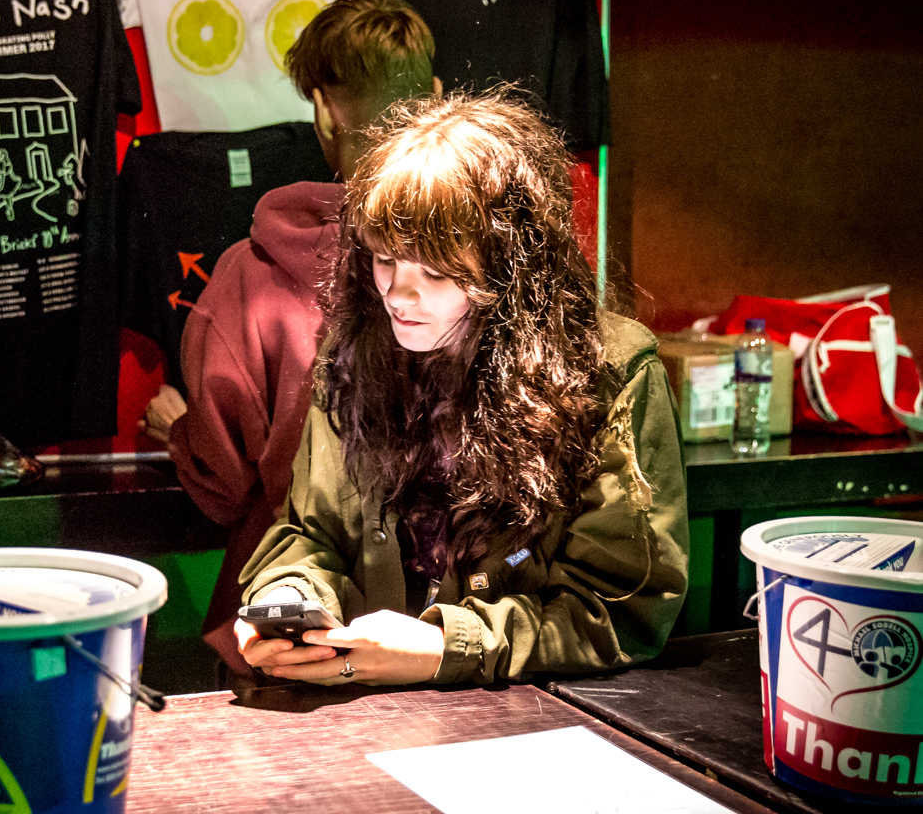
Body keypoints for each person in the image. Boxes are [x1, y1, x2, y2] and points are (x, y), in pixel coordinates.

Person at [237, 90, 688, 686]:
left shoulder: (608, 374)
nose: (399, 294)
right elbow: (313, 531)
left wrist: (443, 646)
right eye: (383, 261)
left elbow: (618, 609)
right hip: (367, 706)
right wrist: (286, 597)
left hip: (539, 720)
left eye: (435, 271)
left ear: (507, 267)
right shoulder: (355, 357)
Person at [140, 0, 440, 673]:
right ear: (440, 99)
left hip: (296, 629)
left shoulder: (251, 278)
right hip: (449, 622)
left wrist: (183, 429)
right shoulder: (483, 262)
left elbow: (224, 486)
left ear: (326, 111)